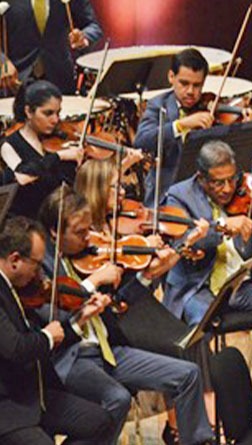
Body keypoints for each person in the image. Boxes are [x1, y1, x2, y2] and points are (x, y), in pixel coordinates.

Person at [36, 189, 215, 445]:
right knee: (117, 399)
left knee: (189, 374)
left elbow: (121, 303)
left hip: (109, 350)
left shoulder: (89, 257)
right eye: (79, 232)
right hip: (72, 357)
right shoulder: (42, 265)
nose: (88, 239)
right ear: (54, 231)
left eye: (89, 229)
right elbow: (52, 315)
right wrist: (93, 282)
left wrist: (145, 277)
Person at [0, 215, 114, 445]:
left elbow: (45, 339)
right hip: (9, 407)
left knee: (100, 422)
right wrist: (47, 336)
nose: (39, 274)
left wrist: (79, 320)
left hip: (35, 393)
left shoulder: (16, 286)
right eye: (37, 264)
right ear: (14, 260)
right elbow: (16, 349)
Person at [163, 140, 252, 326]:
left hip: (243, 285)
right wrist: (222, 226)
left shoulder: (245, 192)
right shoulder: (179, 196)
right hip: (199, 286)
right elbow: (184, 241)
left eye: (231, 178)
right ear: (201, 178)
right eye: (218, 183)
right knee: (203, 323)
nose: (228, 188)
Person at [133, 48, 252, 204]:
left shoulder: (210, 106)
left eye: (197, 85)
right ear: (171, 77)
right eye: (184, 84)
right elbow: (142, 141)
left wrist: (247, 128)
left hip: (207, 193)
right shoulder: (158, 105)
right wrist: (181, 125)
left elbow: (229, 154)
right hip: (168, 193)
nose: (191, 92)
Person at [1, 80, 80, 218]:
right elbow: (23, 176)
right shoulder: (9, 145)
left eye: (57, 113)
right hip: (26, 225)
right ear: (28, 112)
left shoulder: (59, 140)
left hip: (57, 219)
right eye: (48, 113)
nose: (55, 120)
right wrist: (59, 156)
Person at [2, 0, 103, 93]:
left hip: (59, 77)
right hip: (14, 79)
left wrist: (83, 37)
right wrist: (2, 62)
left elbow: (93, 27)